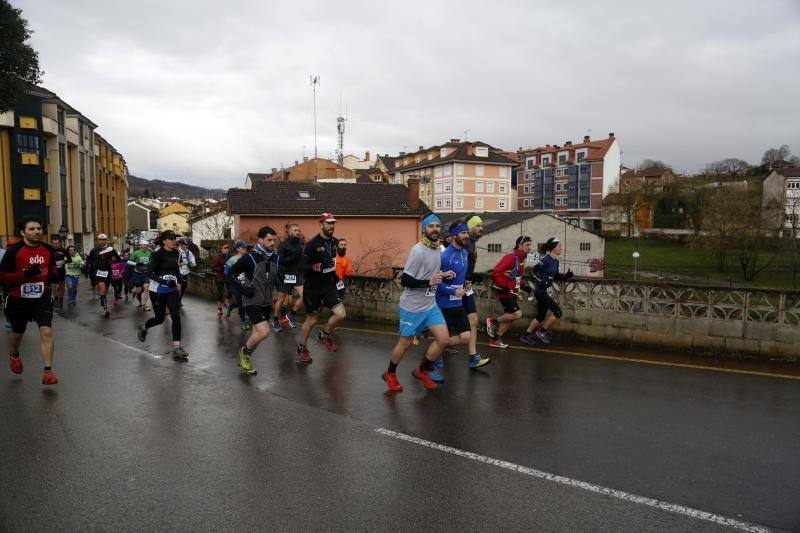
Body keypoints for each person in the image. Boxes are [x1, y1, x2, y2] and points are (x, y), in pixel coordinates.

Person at [382, 213, 454, 392]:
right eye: (431, 226)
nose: (435, 230)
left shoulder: (438, 248)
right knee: (405, 343)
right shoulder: (418, 250)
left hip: (430, 305)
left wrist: (444, 276)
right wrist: (428, 282)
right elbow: (405, 280)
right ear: (424, 229)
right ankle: (390, 373)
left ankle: (422, 370)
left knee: (444, 339)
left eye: (437, 226)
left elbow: (431, 273)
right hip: (412, 307)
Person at [0, 216, 60, 384]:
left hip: (42, 297)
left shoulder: (47, 249)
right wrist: (24, 274)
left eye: (39, 228)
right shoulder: (14, 251)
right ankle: (14, 354)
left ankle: (48, 372)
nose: (36, 232)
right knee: (18, 333)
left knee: (46, 331)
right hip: (19, 299)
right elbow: (3, 275)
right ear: (22, 232)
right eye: (32, 229)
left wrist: (54, 275)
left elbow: (52, 266)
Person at [436, 220, 491, 378]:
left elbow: (463, 274)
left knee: (467, 331)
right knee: (444, 336)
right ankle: (434, 353)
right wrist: (452, 291)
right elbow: (436, 283)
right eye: (463, 233)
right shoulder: (445, 257)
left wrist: (467, 283)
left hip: (460, 297)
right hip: (445, 302)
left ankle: (441, 348)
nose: (466, 235)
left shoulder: (465, 252)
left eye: (467, 232)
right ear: (454, 236)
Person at [297, 213, 347, 363]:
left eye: (333, 223)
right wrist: (316, 267)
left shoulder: (334, 242)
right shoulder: (312, 244)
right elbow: (302, 266)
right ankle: (302, 347)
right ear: (321, 225)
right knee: (312, 320)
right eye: (329, 223)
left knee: (340, 314)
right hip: (312, 287)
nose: (332, 226)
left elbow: (332, 264)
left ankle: (323, 335)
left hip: (328, 285)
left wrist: (338, 280)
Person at [229, 226, 278, 375]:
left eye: (274, 240)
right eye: (269, 240)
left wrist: (278, 293)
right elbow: (231, 274)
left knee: (257, 334)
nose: (272, 243)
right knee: (264, 332)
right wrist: (244, 289)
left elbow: (275, 278)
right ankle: (244, 352)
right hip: (251, 301)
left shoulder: (275, 257)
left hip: (266, 302)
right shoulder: (249, 257)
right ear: (260, 240)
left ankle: (246, 358)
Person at [137, 230, 188, 358]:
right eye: (170, 238)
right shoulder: (157, 255)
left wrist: (181, 279)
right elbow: (149, 273)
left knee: (176, 316)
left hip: (171, 290)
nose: (173, 241)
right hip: (157, 291)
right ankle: (144, 327)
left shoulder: (177, 253)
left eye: (174, 238)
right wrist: (165, 281)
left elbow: (176, 270)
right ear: (164, 241)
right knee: (160, 319)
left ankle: (177, 347)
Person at [520, 236, 573, 345]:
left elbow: (556, 276)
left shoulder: (556, 262)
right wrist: (541, 281)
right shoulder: (545, 260)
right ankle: (542, 332)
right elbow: (533, 272)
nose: (561, 248)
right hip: (541, 291)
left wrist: (566, 276)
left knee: (540, 317)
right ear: (553, 248)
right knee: (558, 312)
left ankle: (525, 335)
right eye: (559, 246)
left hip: (546, 291)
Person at [486, 236, 533, 348]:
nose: (530, 247)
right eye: (527, 245)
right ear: (520, 246)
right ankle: (493, 321)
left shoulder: (521, 259)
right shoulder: (511, 257)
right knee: (517, 314)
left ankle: (495, 340)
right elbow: (496, 271)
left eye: (530, 245)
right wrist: (504, 285)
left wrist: (523, 286)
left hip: (512, 291)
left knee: (510, 317)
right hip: (504, 291)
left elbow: (515, 277)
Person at [462, 215, 490, 363]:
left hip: (466, 287)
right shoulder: (466, 244)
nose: (481, 228)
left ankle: (473, 357)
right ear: (470, 227)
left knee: (473, 320)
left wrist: (471, 278)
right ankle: (433, 357)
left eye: (482, 225)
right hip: (456, 287)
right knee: (444, 322)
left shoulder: (472, 244)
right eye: (478, 225)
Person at [272, 223, 304, 332]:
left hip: (297, 274)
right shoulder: (283, 245)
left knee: (305, 296)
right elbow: (281, 261)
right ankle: (276, 320)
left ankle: (291, 314)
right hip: (286, 275)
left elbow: (300, 259)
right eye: (295, 230)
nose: (298, 232)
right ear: (290, 232)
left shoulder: (300, 243)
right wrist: (293, 256)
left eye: (298, 230)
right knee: (281, 300)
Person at [87, 233, 121, 317]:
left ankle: (102, 299)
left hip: (108, 272)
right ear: (98, 240)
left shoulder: (111, 249)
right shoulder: (94, 250)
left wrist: (113, 261)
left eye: (104, 240)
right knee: (102, 289)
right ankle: (106, 309)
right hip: (98, 272)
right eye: (100, 239)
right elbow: (89, 260)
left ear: (106, 240)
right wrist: (93, 263)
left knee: (105, 290)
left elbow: (118, 259)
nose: (102, 241)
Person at [225, 241, 250, 331]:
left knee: (245, 301)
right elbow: (226, 271)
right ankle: (243, 321)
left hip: (245, 284)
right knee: (241, 301)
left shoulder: (248, 258)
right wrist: (233, 279)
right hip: (234, 284)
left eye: (245, 247)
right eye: (243, 247)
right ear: (237, 249)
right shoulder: (233, 259)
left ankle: (231, 306)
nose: (245, 249)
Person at [129, 240, 152, 311]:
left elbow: (151, 261)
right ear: (140, 246)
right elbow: (129, 261)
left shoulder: (149, 253)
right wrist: (136, 264)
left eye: (146, 245)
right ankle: (134, 291)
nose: (145, 246)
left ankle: (145, 305)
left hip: (145, 273)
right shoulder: (136, 253)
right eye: (144, 245)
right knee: (139, 291)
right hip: (137, 273)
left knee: (146, 288)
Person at [212, 242, 232, 315]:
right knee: (220, 293)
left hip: (228, 277)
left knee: (230, 291)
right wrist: (221, 267)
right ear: (221, 249)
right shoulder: (218, 257)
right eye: (225, 248)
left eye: (228, 248)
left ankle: (226, 303)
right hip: (219, 278)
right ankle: (219, 308)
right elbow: (213, 268)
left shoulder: (230, 257)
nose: (227, 249)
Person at [177, 237, 196, 305]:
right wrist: (179, 264)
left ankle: (179, 300)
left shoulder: (189, 252)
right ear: (180, 245)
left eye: (187, 245)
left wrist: (191, 263)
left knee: (184, 286)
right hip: (178, 272)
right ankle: (176, 300)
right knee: (178, 287)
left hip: (186, 272)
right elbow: (173, 262)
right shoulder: (177, 252)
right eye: (185, 244)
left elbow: (193, 262)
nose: (186, 246)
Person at [334, 236, 354, 301]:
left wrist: (349, 270)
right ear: (337, 246)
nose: (343, 246)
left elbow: (348, 273)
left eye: (345, 245)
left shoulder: (346, 258)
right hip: (330, 281)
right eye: (341, 245)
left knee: (340, 298)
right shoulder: (332, 256)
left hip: (340, 282)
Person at [50, 236, 67, 308]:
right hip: (53, 271)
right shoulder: (49, 250)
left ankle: (60, 300)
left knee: (60, 287)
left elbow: (69, 260)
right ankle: (56, 300)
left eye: (57, 243)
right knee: (54, 286)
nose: (55, 245)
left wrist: (64, 261)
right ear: (52, 243)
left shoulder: (64, 250)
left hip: (61, 271)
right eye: (54, 243)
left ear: (59, 243)